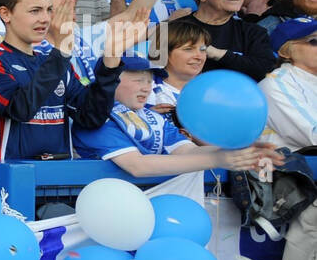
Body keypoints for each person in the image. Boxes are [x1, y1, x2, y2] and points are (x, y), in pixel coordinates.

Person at [0, 0, 125, 161]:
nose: (45, 19)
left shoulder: (56, 62)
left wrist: (110, 66)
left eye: (49, 10)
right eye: (35, 11)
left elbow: (91, 117)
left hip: (59, 173)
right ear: (5, 14)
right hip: (12, 174)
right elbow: (20, 109)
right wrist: (61, 52)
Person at [73, 56, 275, 176]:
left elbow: (187, 151)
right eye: (138, 80)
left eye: (150, 81)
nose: (147, 88)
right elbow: (137, 166)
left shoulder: (151, 116)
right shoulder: (96, 118)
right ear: (111, 81)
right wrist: (220, 159)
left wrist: (240, 150)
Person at [258, 17, 317, 260]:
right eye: (314, 41)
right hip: (294, 186)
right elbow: (313, 134)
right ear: (286, 51)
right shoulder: (277, 82)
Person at [188, 0, 276, 80]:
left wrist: (220, 55)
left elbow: (268, 71)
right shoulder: (168, 29)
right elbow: (156, 70)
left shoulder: (254, 32)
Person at [148, 18, 211, 112]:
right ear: (163, 52)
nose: (199, 57)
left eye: (203, 50)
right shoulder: (144, 89)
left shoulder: (213, 93)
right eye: (188, 49)